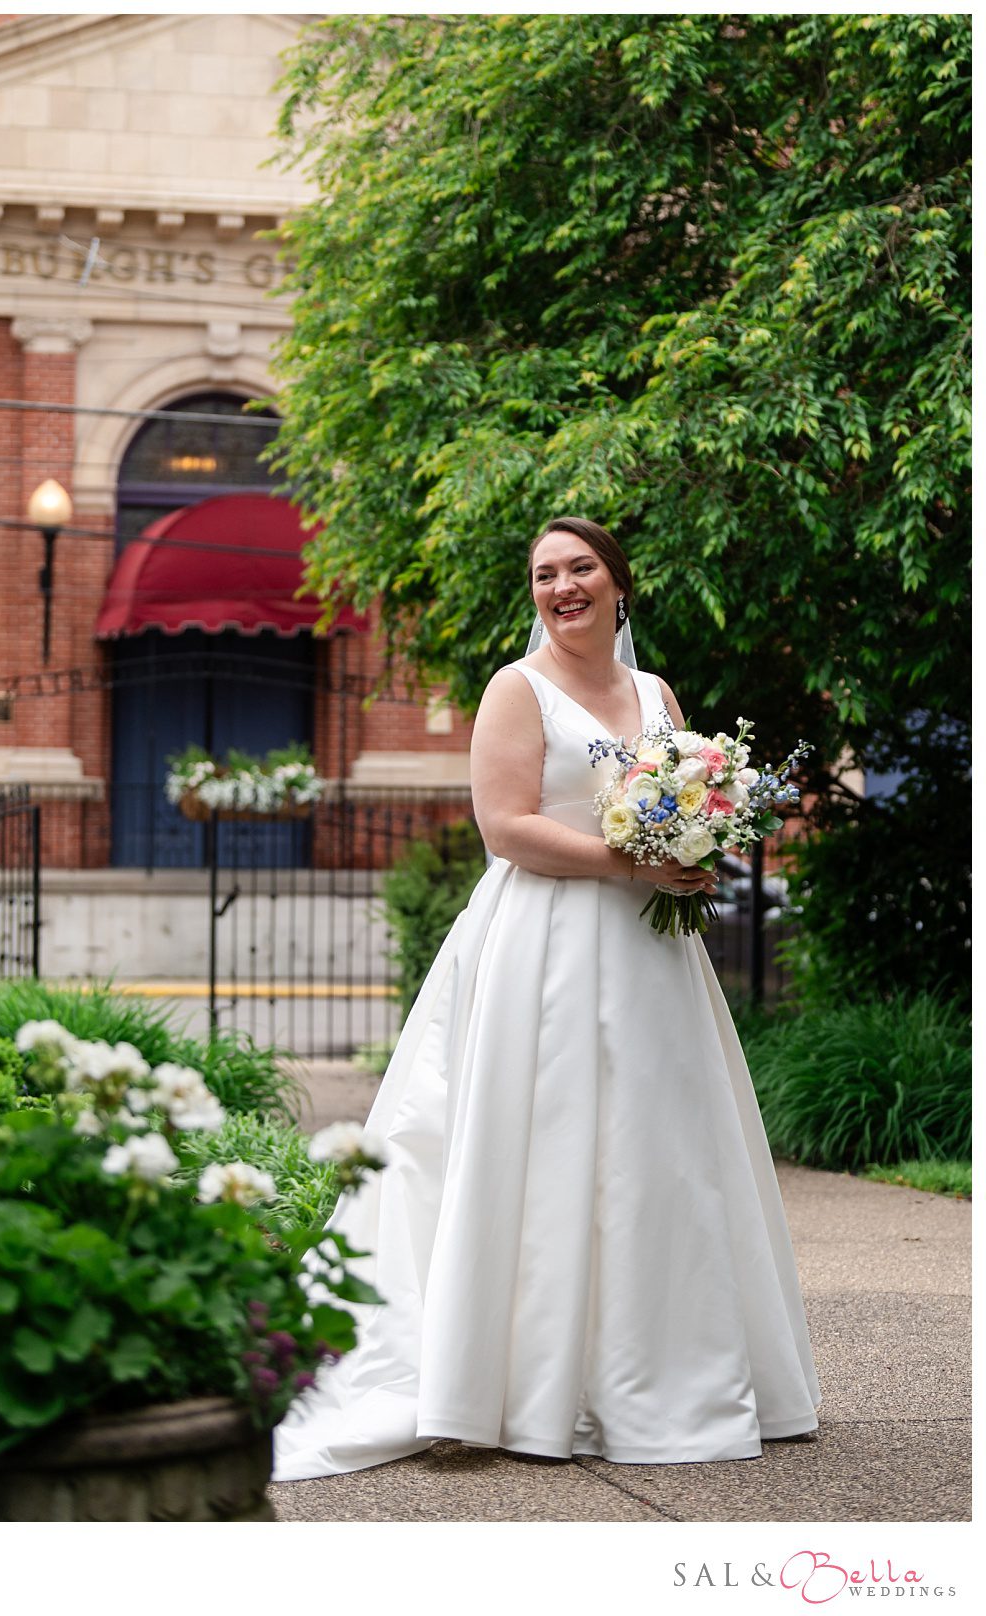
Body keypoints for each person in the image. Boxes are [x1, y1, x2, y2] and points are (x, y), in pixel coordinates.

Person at [274, 517, 821, 1480]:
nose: (561, 587)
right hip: (545, 945)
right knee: (552, 1141)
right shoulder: (514, 689)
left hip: (652, 959)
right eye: (544, 574)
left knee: (660, 1149)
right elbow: (507, 827)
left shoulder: (654, 693)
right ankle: (522, 1378)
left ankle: (665, 1372)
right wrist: (636, 859)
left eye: (579, 569)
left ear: (620, 584)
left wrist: (690, 854)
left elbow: (690, 798)